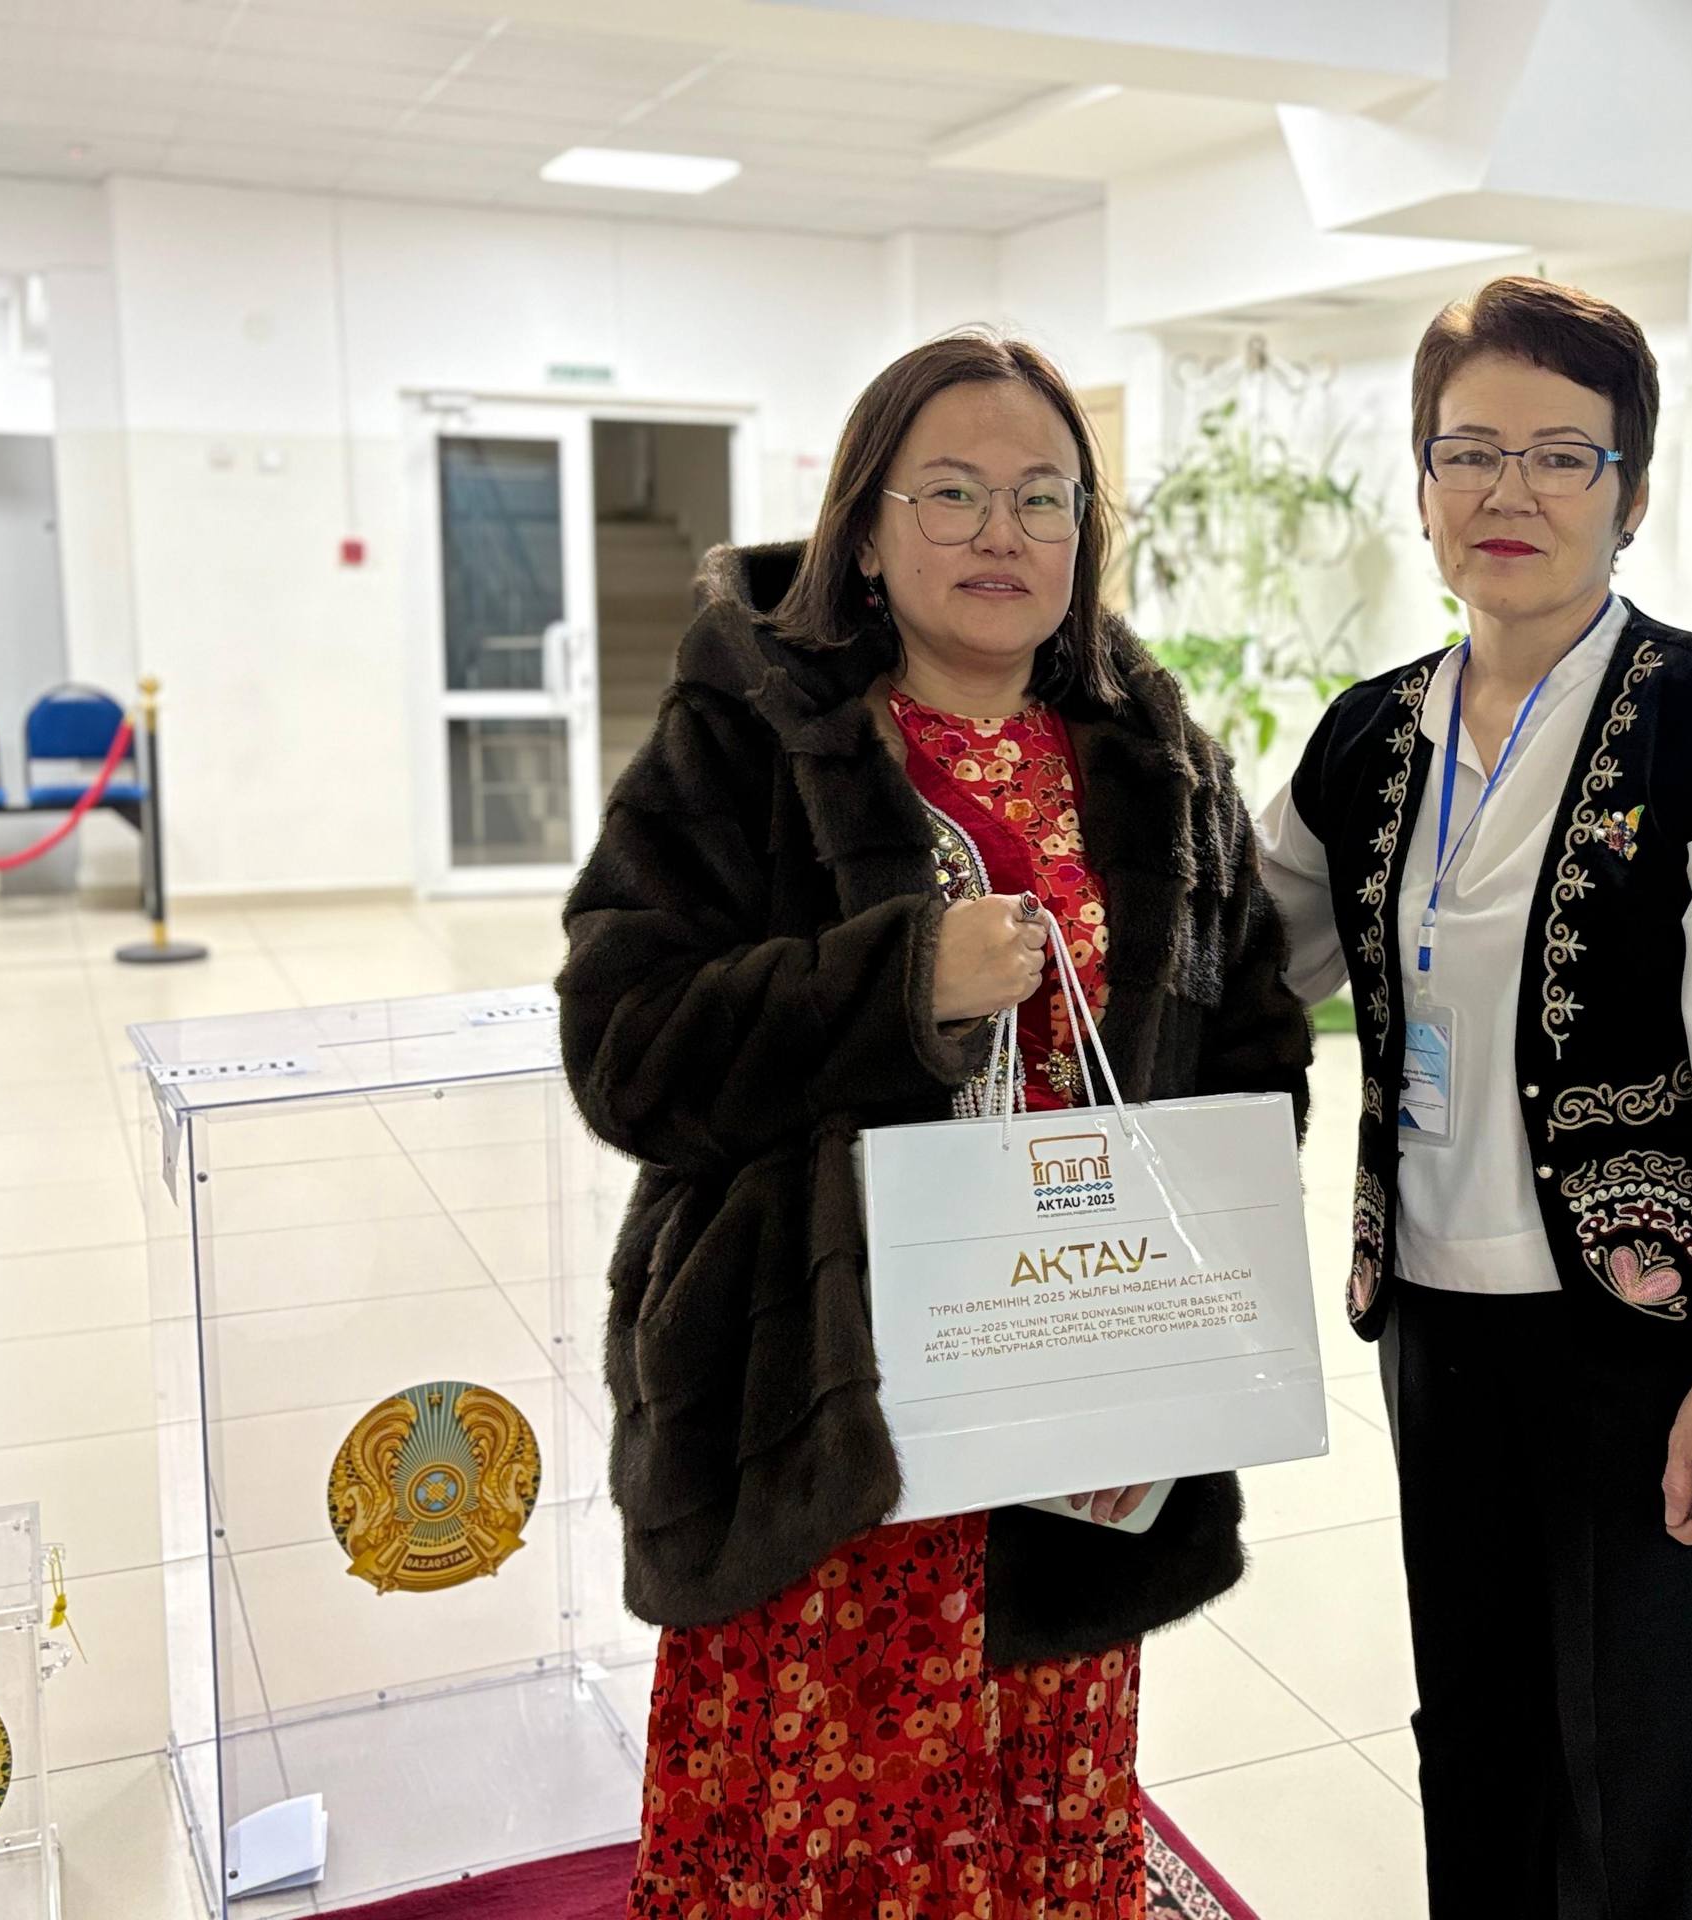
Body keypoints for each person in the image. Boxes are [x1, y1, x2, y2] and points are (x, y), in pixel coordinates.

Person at [557, 331, 1311, 1920]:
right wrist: (895, 982)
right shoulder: (748, 741)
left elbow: (1248, 1044)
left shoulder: (1160, 765)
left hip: (1066, 1417)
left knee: (1036, 1799)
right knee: (839, 1823)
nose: (1000, 533)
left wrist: (1173, 1301)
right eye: (952, 493)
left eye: (1043, 498)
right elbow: (623, 1044)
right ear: (866, 527)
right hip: (825, 1410)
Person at [1255, 276, 1692, 1917]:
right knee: (1481, 1742)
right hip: (1437, 1327)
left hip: (1645, 1341)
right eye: (1469, 452)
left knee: (1645, 1772)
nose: (1506, 491)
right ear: (1422, 482)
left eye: (1560, 456)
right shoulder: (1369, 739)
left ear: (1629, 491)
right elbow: (1246, 955)